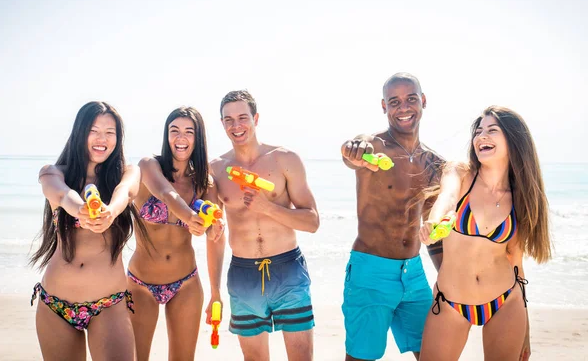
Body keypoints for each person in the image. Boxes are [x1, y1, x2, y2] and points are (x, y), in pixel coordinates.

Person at [419, 105, 551, 361]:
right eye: (478, 131)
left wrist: (526, 329)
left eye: (492, 130)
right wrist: (434, 224)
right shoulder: (460, 173)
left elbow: (515, 260)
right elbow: (446, 198)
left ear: (513, 140)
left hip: (505, 302)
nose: (481, 137)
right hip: (451, 303)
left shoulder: (521, 197)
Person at [30, 101, 147, 360]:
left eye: (110, 132)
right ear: (80, 133)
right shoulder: (52, 173)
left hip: (109, 304)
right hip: (56, 306)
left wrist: (110, 213)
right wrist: (81, 209)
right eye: (93, 130)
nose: (101, 139)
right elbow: (61, 194)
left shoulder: (128, 172)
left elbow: (124, 193)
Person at [209, 90, 320, 361]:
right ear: (222, 124)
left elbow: (312, 221)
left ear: (256, 118)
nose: (237, 126)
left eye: (243, 117)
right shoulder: (215, 169)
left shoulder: (285, 159)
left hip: (288, 270)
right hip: (243, 273)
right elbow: (214, 236)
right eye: (229, 120)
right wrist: (214, 292)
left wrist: (267, 208)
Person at [340, 72, 444, 361]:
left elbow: (434, 235)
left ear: (423, 101)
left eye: (411, 99)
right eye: (394, 101)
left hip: (414, 274)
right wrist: (352, 150)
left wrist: (447, 278)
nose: (403, 107)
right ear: (383, 106)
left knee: (433, 352)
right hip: (370, 271)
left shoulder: (435, 164)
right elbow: (351, 151)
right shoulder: (373, 146)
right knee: (361, 357)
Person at [128, 106, 225, 361]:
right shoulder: (148, 166)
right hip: (140, 284)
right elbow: (166, 194)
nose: (181, 138)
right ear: (166, 135)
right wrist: (191, 217)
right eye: (175, 131)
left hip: (186, 283)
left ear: (198, 138)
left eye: (188, 132)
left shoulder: (204, 182)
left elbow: (216, 235)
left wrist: (216, 292)